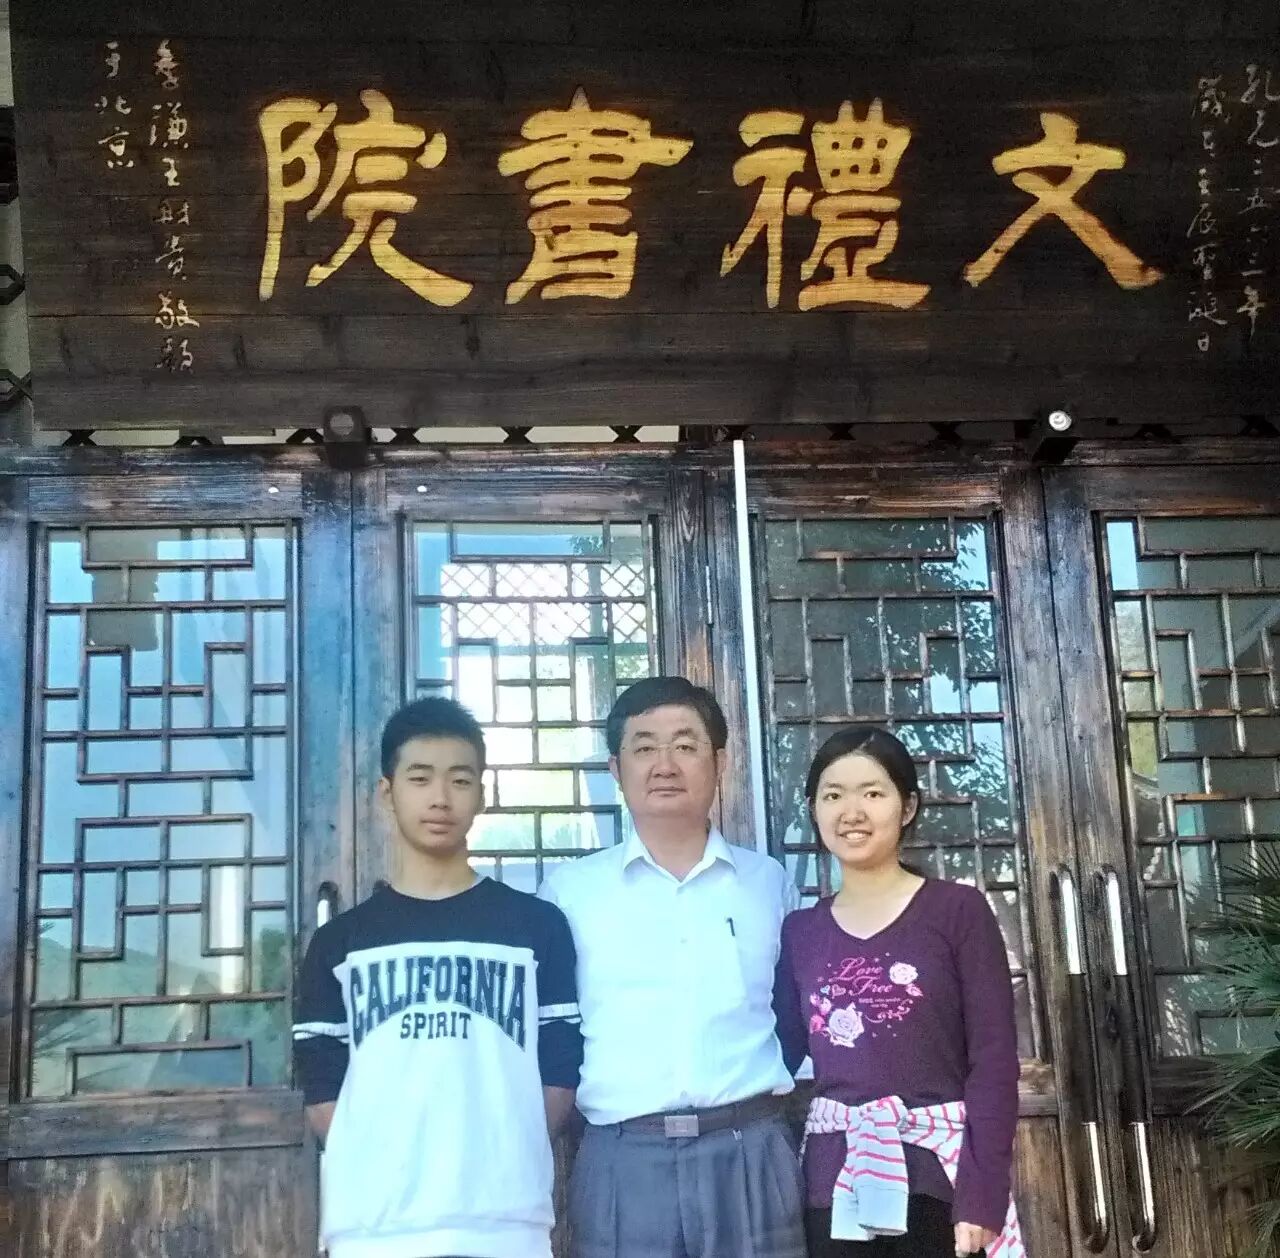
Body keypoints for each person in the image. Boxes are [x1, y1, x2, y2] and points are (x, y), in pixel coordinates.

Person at [294, 697, 583, 1258]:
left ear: (482, 794)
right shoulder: (340, 943)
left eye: (460, 779)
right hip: (375, 1228)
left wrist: (498, 1152)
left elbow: (559, 1073)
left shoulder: (535, 926)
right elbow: (322, 1089)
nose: (440, 798)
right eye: (420, 778)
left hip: (503, 1224)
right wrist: (390, 1165)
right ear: (387, 793)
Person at [539, 675, 806, 1258]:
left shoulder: (767, 885)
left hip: (750, 1150)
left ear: (720, 761)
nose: (665, 765)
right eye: (644, 747)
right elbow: (550, 1031)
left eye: (685, 745)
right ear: (616, 769)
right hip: (623, 1158)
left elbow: (794, 1015)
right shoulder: (571, 892)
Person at [772, 727, 1023, 1258]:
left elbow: (994, 1061)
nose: (852, 812)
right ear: (814, 810)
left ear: (907, 807)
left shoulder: (957, 912)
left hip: (938, 1182)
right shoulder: (801, 932)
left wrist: (982, 1196)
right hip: (833, 1186)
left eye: (872, 792)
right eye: (832, 795)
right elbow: (775, 1054)